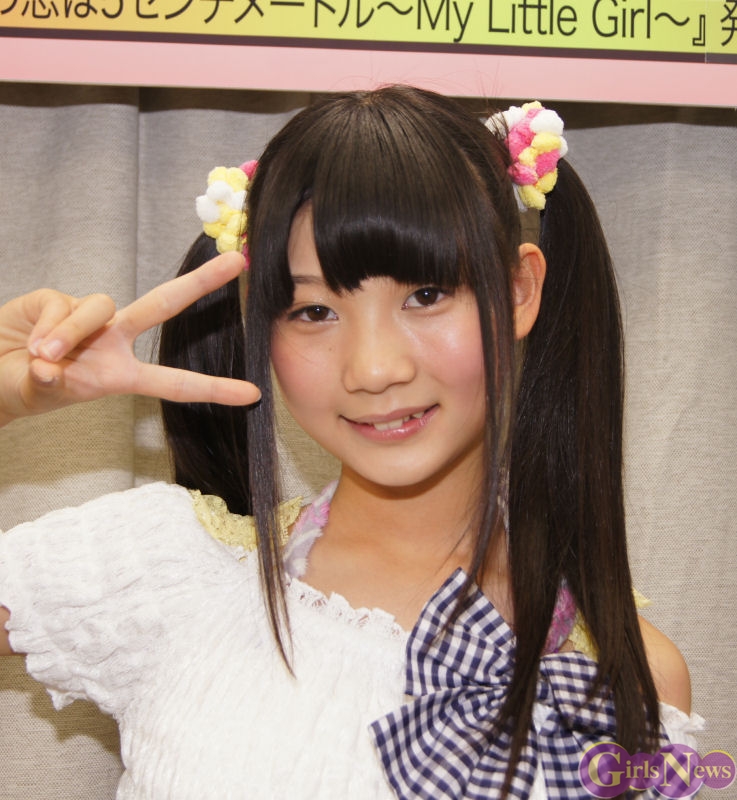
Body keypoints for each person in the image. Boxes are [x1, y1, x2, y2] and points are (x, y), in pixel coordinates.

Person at [0, 87, 700, 799]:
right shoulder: (168, 572)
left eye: (426, 294)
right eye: (313, 310)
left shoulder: (631, 678)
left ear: (519, 291)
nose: (372, 369)